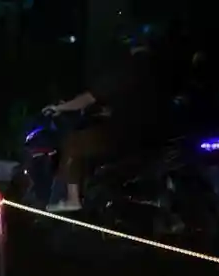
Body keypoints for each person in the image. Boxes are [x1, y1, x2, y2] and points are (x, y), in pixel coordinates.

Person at [42, 24, 166, 212]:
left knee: (73, 143)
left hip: (125, 135)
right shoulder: (158, 69)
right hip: (156, 134)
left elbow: (88, 98)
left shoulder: (128, 68)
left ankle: (72, 200)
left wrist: (60, 107)